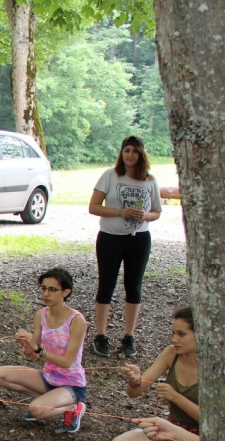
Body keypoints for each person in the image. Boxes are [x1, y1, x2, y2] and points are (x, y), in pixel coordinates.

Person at [108, 306, 204, 441]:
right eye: (173, 333)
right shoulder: (171, 354)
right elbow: (134, 393)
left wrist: (176, 398)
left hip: (201, 438)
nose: (174, 339)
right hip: (171, 430)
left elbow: (209, 419)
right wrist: (135, 379)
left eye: (181, 334)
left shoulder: (213, 366)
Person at [88, 135, 162, 359]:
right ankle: (101, 335)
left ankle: (129, 336)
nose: (130, 155)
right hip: (110, 237)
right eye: (126, 150)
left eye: (135, 151)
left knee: (134, 285)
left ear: (141, 155)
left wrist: (145, 215)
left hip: (139, 238)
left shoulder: (149, 180)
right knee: (106, 284)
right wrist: (120, 212)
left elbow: (157, 211)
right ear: (121, 153)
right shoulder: (110, 176)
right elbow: (93, 206)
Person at [0, 268, 88, 433]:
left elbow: (67, 362)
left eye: (52, 290)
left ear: (66, 292)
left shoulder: (77, 320)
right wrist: (25, 345)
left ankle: (74, 407)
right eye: (43, 288)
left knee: (36, 410)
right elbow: (33, 356)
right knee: (0, 375)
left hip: (71, 385)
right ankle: (48, 401)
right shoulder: (41, 314)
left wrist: (39, 349)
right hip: (48, 378)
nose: (46, 294)